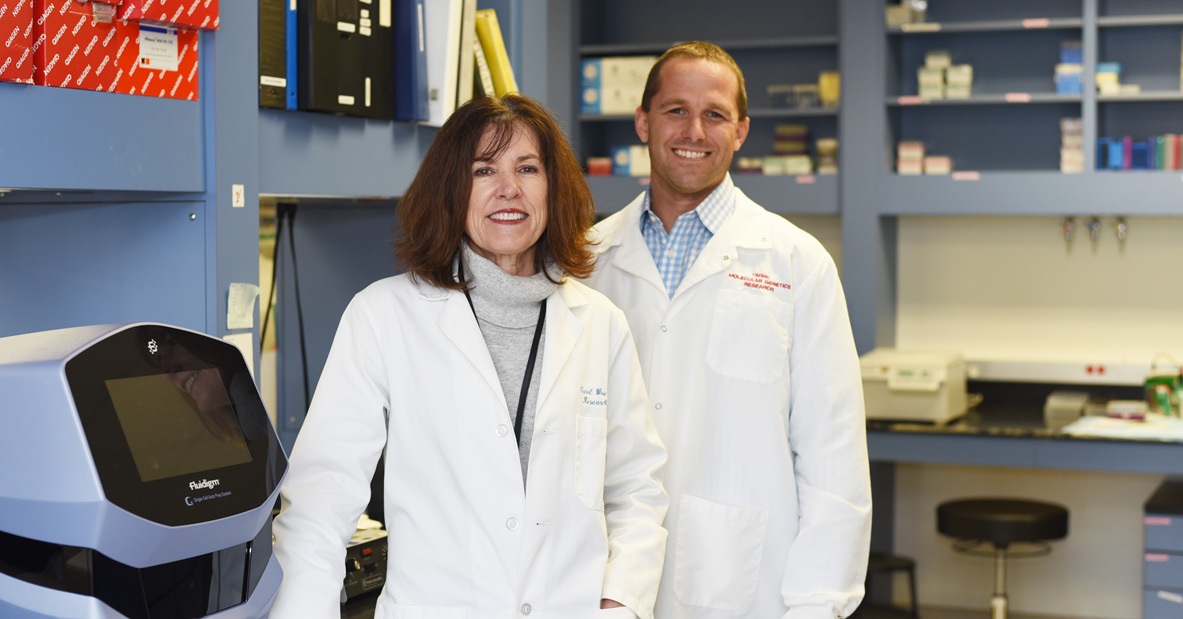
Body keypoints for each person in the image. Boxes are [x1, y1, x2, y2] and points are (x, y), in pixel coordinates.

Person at [270, 94, 669, 619]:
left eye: (527, 168)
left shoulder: (599, 323)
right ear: (451, 190)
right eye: (484, 170)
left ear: (554, 188)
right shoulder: (384, 315)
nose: (509, 188)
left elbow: (636, 489)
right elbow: (322, 497)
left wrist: (620, 602)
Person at [584, 41, 873, 618]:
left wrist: (818, 605)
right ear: (643, 122)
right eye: (675, 110)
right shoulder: (587, 260)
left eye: (714, 114)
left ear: (740, 131)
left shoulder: (796, 262)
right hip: (607, 580)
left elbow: (833, 458)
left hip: (748, 586)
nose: (694, 130)